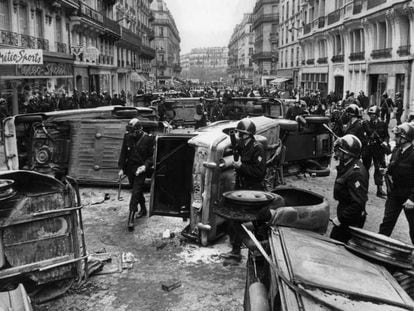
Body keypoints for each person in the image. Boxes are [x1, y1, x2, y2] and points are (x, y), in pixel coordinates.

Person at [221, 118, 266, 266]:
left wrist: (241, 166)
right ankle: (236, 252)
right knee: (234, 219)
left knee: (258, 222)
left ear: (247, 134)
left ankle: (260, 251)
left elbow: (259, 173)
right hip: (241, 188)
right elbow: (234, 147)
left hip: (253, 190)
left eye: (240, 133)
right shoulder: (242, 145)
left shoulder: (257, 148)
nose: (238, 135)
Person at [379, 123, 414, 244]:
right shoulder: (397, 150)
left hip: (409, 197)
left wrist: (412, 199)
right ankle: (378, 247)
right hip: (395, 194)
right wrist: (387, 170)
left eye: (398, 136)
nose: (395, 138)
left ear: (405, 138)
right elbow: (394, 166)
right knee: (386, 224)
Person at [330, 134, 369, 243]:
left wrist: (341, 219)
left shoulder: (356, 173)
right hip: (346, 214)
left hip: (350, 220)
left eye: (340, 151)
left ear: (347, 153)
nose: (337, 153)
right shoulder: (348, 166)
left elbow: (358, 203)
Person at [118, 118, 155, 231]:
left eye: (133, 131)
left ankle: (131, 218)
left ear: (139, 130)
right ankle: (143, 209)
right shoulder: (127, 136)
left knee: (135, 192)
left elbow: (151, 157)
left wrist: (145, 166)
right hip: (130, 169)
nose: (131, 134)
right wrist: (121, 168)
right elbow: (123, 153)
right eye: (130, 132)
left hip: (141, 169)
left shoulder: (148, 139)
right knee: (137, 191)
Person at [362, 105, 390, 198]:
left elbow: (386, 135)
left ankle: (379, 189)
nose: (372, 116)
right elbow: (364, 136)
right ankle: (364, 188)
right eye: (370, 114)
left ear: (377, 114)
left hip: (379, 149)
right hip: (369, 149)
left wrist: (385, 142)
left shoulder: (383, 124)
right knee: (365, 169)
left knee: (379, 169)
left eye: (374, 114)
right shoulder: (366, 124)